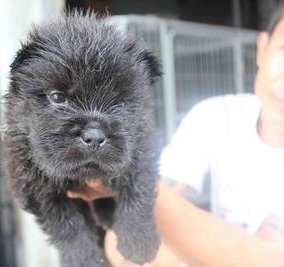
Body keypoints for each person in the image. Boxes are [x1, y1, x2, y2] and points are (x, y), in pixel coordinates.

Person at [67, 3, 284, 266]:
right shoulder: (216, 116)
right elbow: (123, 249)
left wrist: (131, 184)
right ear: (262, 47)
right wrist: (226, 249)